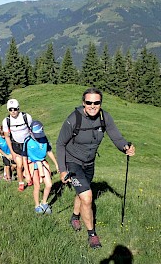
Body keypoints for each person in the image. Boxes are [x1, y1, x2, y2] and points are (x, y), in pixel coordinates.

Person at [56, 87, 135, 249]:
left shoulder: (105, 118)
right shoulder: (73, 119)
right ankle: (92, 235)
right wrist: (62, 169)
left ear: (101, 103)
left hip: (89, 163)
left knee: (82, 193)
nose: (93, 105)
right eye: (89, 102)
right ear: (83, 103)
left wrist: (125, 147)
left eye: (96, 102)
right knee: (87, 197)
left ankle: (75, 217)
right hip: (73, 162)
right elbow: (60, 143)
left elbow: (116, 137)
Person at [22, 121, 58, 214]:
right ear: (30, 131)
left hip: (42, 163)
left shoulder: (44, 138)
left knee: (49, 184)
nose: (39, 137)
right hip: (32, 164)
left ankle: (44, 202)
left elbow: (49, 151)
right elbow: (24, 158)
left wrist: (56, 164)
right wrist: (27, 174)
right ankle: (37, 205)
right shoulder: (27, 141)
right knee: (37, 186)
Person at [2, 99, 33, 191]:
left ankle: (31, 177)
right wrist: (12, 152)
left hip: (28, 143)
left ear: (18, 108)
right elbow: (7, 137)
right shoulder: (6, 121)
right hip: (16, 145)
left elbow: (32, 131)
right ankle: (21, 183)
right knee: (19, 165)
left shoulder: (26, 117)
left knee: (30, 162)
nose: (13, 111)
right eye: (10, 109)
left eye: (15, 109)